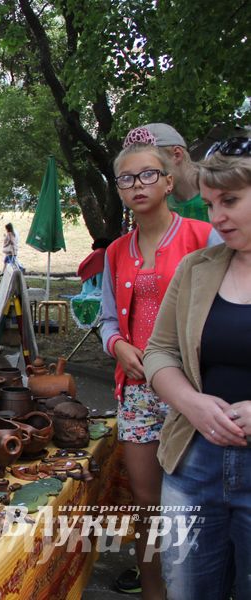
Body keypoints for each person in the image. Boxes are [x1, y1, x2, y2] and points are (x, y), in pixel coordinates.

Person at [99, 138, 220, 599]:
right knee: (147, 503)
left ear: (169, 182)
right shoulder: (116, 251)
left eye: (148, 174)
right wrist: (117, 345)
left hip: (196, 389)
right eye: (126, 179)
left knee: (198, 502)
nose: (138, 185)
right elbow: (108, 319)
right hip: (138, 391)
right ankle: (154, 592)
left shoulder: (203, 237)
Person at [143, 145, 251, 600]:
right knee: (189, 590)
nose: (217, 217)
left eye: (230, 201)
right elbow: (159, 352)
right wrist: (193, 404)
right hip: (194, 463)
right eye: (209, 204)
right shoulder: (196, 268)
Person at [125, 123, 207, 222]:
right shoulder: (160, 207)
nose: (141, 181)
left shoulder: (218, 193)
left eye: (150, 167)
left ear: (177, 155)